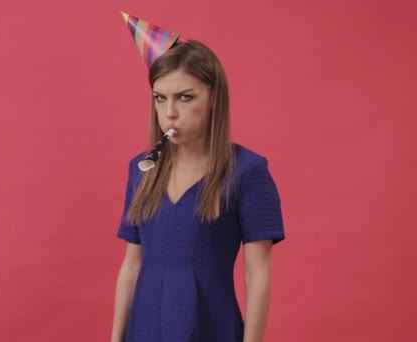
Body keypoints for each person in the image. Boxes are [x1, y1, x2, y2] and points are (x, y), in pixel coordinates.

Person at [111, 12, 286, 342]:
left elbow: (257, 273)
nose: (170, 113)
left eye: (185, 97)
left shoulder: (248, 171)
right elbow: (131, 265)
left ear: (214, 98)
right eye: (160, 98)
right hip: (146, 327)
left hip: (212, 327)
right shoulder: (141, 170)